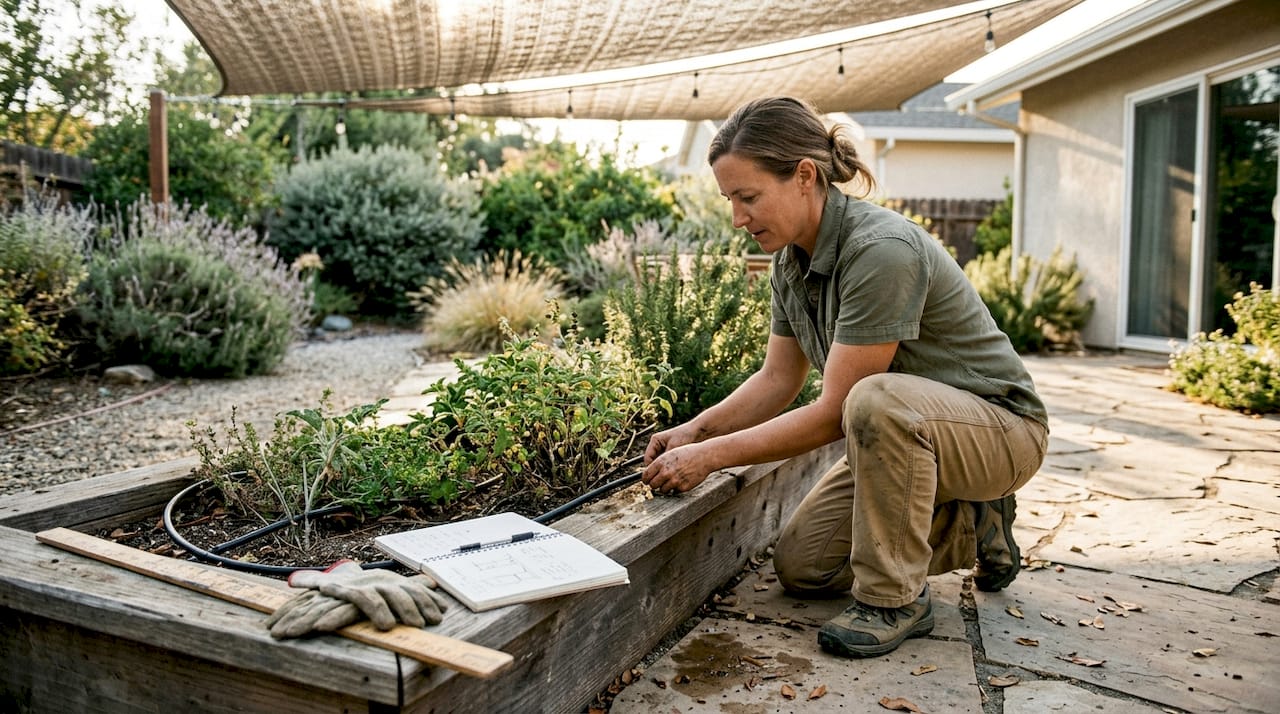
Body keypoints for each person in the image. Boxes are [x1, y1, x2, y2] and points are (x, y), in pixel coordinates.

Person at [641, 96, 1048, 659]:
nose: (737, 217)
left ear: (805, 176)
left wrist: (712, 460)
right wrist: (696, 432)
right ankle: (971, 519)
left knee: (872, 399)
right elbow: (776, 380)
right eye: (729, 199)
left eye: (749, 196)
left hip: (1003, 432)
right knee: (804, 566)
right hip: (913, 435)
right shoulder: (791, 262)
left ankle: (894, 600)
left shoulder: (880, 251)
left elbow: (837, 411)